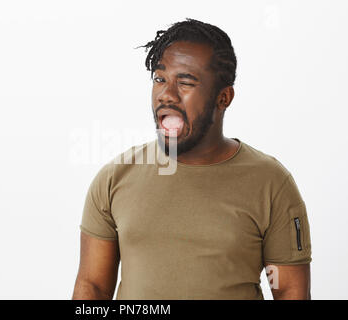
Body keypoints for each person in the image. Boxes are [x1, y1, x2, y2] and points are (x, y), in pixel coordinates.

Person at [72, 18, 311, 300]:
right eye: (160, 79)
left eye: (185, 82)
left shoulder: (271, 183)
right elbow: (93, 288)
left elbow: (290, 292)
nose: (167, 94)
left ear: (224, 98)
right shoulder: (115, 178)